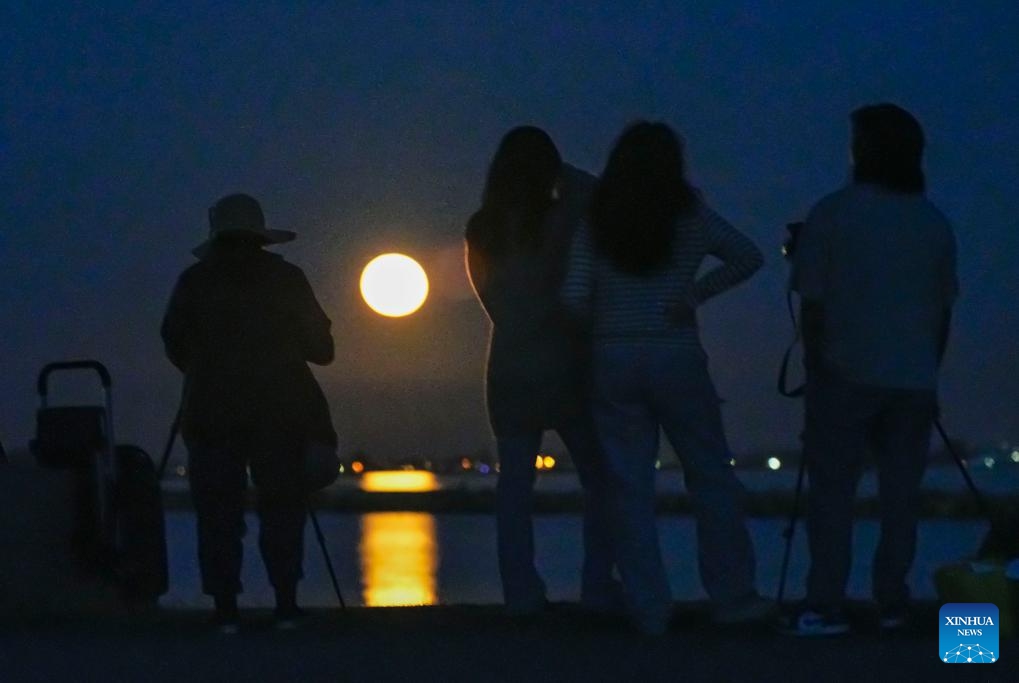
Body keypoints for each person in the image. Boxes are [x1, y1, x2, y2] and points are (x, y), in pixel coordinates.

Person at [562, 121, 768, 635]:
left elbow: (573, 296)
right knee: (710, 476)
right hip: (677, 356)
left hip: (612, 358)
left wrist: (604, 322)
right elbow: (749, 256)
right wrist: (694, 294)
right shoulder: (691, 216)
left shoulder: (598, 221)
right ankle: (733, 597)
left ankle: (649, 607)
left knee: (629, 487)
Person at [784, 104, 958, 636]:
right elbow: (942, 311)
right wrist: (928, 371)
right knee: (900, 499)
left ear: (861, 151)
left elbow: (812, 305)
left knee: (832, 497)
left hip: (844, 373)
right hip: (912, 379)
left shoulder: (832, 213)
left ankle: (825, 603)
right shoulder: (933, 222)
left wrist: (817, 369)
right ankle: (893, 602)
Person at [162, 193, 335, 633]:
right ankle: (286, 606)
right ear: (260, 237)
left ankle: (226, 611)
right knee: (282, 508)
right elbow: (322, 349)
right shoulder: (287, 279)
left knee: (217, 514)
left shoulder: (194, 282)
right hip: (280, 411)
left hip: (210, 413)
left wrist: (206, 369)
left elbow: (175, 343)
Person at [466, 126, 618, 616]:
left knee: (514, 487)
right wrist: (561, 172)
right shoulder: (563, 218)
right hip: (565, 362)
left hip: (508, 364)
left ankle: (521, 594)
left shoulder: (482, 228)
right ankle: (597, 586)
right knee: (600, 479)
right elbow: (598, 193)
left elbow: (488, 298)